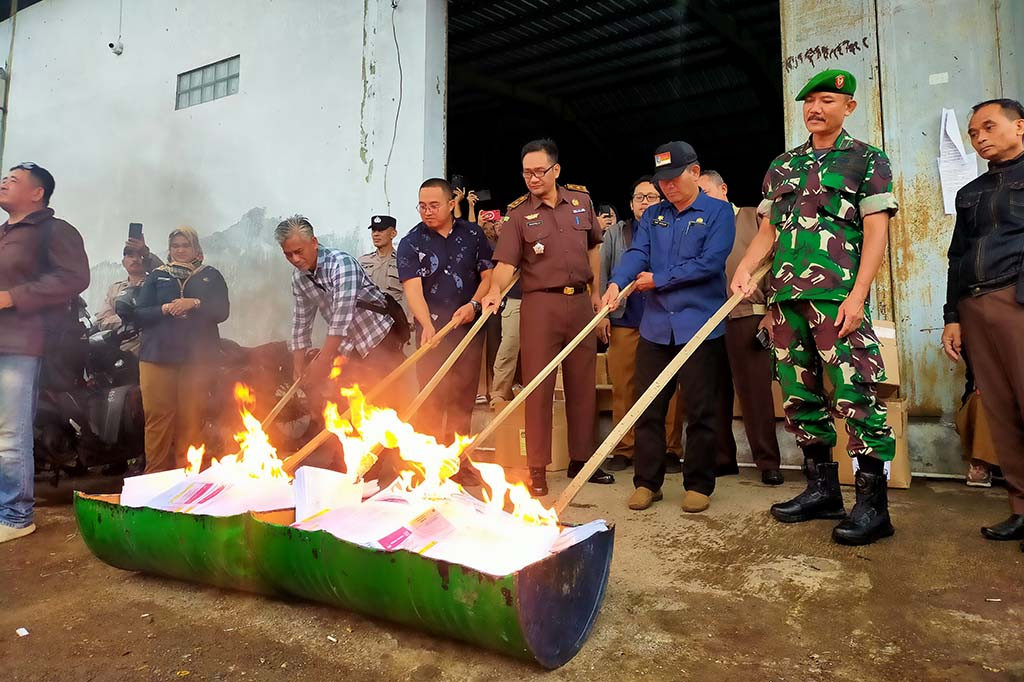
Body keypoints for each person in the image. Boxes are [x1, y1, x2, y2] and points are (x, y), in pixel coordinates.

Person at [732, 69, 899, 546]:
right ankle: (823, 490)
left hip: (837, 296)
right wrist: (745, 270)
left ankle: (874, 506)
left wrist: (859, 294)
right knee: (798, 397)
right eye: (809, 101)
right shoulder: (783, 165)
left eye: (828, 100)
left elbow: (876, 230)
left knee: (856, 394)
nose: (816, 108)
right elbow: (768, 231)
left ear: (848, 107)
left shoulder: (867, 160)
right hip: (786, 300)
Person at [604, 141, 735, 514]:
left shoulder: (717, 213)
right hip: (656, 328)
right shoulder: (654, 217)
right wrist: (617, 283)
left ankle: (698, 484)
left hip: (700, 328)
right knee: (647, 406)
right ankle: (647, 482)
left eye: (674, 178)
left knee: (701, 408)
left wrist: (658, 280)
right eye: (662, 181)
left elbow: (709, 264)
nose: (667, 187)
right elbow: (637, 254)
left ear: (695, 172)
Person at [481, 138, 615, 496]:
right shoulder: (519, 215)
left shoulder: (581, 202)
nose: (533, 178)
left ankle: (582, 460)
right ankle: (537, 467)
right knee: (538, 387)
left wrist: (596, 293)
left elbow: (594, 248)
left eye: (540, 171)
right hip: (540, 305)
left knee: (581, 384)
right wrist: (495, 290)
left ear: (556, 170)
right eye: (527, 172)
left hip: (580, 304)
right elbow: (506, 263)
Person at [941, 97, 1024, 547]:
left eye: (988, 128)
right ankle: (1019, 507)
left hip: (1017, 300)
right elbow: (956, 257)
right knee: (1001, 410)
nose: (979, 138)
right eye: (973, 133)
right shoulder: (969, 191)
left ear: (1020, 126)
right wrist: (953, 316)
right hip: (976, 305)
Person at [0, 163, 89, 543]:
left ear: (38, 193)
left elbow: (74, 277)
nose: (4, 181)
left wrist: (12, 297)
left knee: (9, 433)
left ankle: (16, 516)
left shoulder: (54, 230)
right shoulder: (5, 233)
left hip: (21, 343)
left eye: (14, 179)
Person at [697, 169, 784, 485]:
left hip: (747, 314)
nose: (699, 199)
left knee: (755, 393)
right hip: (708, 319)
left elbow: (775, 262)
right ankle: (723, 459)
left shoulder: (752, 217)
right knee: (714, 392)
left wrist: (772, 312)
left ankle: (768, 462)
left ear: (724, 189)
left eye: (704, 192)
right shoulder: (699, 225)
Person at [598, 176, 685, 474]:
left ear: (661, 201)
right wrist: (603, 315)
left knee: (670, 387)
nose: (644, 203)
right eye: (639, 198)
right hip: (626, 320)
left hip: (665, 319)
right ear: (631, 203)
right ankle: (624, 447)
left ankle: (671, 449)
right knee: (624, 386)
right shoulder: (615, 234)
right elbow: (605, 274)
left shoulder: (671, 228)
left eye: (650, 197)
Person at [397, 178, 494, 444]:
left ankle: (458, 462)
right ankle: (428, 466)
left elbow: (488, 277)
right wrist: (427, 324)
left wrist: (474, 305)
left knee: (463, 399)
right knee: (431, 398)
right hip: (432, 334)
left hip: (468, 330)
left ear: (451, 204)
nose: (427, 211)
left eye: (434, 205)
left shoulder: (473, 235)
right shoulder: (411, 242)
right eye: (422, 206)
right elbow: (413, 290)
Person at [133, 228, 229, 474]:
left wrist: (195, 303)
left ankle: (187, 476)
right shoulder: (157, 276)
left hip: (197, 358)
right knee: (157, 418)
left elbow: (222, 311)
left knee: (191, 418)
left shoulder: (211, 276)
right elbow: (139, 314)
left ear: (196, 249)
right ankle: (154, 477)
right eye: (175, 245)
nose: (180, 250)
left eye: (185, 245)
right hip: (157, 356)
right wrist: (164, 309)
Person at [277, 215, 405, 398]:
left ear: (313, 242)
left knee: (385, 397)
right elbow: (301, 324)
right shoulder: (299, 279)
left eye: (298, 251)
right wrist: (298, 367)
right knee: (350, 400)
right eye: (288, 254)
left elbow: (340, 322)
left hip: (379, 338)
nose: (295, 259)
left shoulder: (341, 264)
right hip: (348, 347)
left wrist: (322, 363)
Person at [96, 238, 163, 354]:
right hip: (123, 351)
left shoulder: (158, 283)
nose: (135, 259)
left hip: (153, 349)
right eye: (130, 255)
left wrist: (146, 252)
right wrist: (127, 319)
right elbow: (102, 321)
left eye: (140, 256)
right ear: (123, 262)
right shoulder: (114, 289)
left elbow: (166, 272)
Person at [488, 211, 523, 408]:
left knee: (543, 349)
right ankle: (499, 393)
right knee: (508, 346)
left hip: (542, 300)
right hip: (515, 300)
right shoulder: (504, 245)